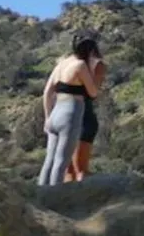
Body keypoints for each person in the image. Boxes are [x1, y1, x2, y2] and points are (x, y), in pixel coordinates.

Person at [38, 35, 101, 186]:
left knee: (49, 161)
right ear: (90, 50)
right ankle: (54, 200)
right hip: (71, 113)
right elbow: (93, 92)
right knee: (61, 162)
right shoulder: (80, 65)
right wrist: (92, 71)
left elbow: (47, 92)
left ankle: (39, 197)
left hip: (55, 112)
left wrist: (47, 117)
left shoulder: (61, 64)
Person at [65, 31, 107, 182]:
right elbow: (94, 91)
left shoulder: (67, 63)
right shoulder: (97, 64)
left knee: (68, 168)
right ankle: (82, 175)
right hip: (84, 107)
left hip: (64, 108)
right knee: (82, 166)